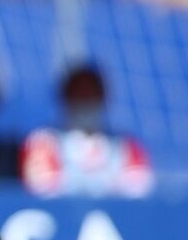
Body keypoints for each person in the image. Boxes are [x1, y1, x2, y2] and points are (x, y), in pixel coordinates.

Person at [21, 64, 152, 197]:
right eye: (79, 93)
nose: (85, 99)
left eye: (91, 93)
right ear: (66, 96)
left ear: (103, 97)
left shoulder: (126, 147)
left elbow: (138, 194)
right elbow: (41, 190)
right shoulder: (43, 141)